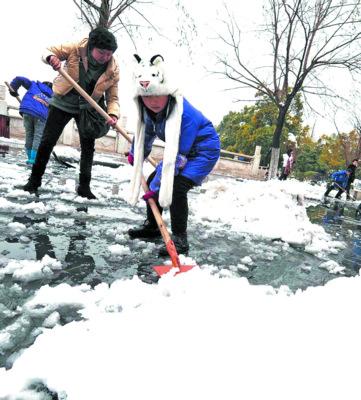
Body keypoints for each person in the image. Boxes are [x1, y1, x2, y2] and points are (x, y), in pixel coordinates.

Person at [127, 54, 221, 255]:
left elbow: (179, 156)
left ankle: (180, 239)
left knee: (176, 187)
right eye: (147, 96)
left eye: (157, 95)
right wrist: (137, 154)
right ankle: (153, 227)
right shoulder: (148, 111)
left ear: (167, 92)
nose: (152, 101)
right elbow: (146, 135)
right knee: (154, 178)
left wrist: (159, 185)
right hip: (181, 152)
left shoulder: (183, 113)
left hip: (203, 151)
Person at [22, 27, 120, 199]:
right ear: (91, 46)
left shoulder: (113, 69)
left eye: (109, 54)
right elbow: (48, 51)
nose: (105, 57)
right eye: (101, 52)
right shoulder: (75, 49)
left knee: (88, 148)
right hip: (62, 103)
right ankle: (34, 181)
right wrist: (51, 58)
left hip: (88, 109)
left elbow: (113, 97)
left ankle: (84, 187)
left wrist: (113, 114)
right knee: (46, 142)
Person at [8, 77, 53, 164]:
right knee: (37, 137)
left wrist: (13, 89)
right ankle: (33, 159)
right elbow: (53, 110)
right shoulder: (53, 95)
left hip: (27, 111)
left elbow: (19, 78)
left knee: (29, 135)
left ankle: (30, 158)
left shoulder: (34, 85)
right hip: (41, 116)